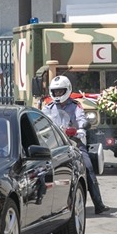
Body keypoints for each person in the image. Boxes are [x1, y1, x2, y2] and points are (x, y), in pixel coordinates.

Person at [43, 75, 109, 214]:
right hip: (54, 143)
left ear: (67, 90)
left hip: (73, 141)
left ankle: (99, 204)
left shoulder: (75, 106)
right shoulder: (48, 107)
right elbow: (42, 124)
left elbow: (81, 120)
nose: (58, 94)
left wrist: (80, 130)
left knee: (88, 167)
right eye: (55, 91)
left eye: (60, 91)